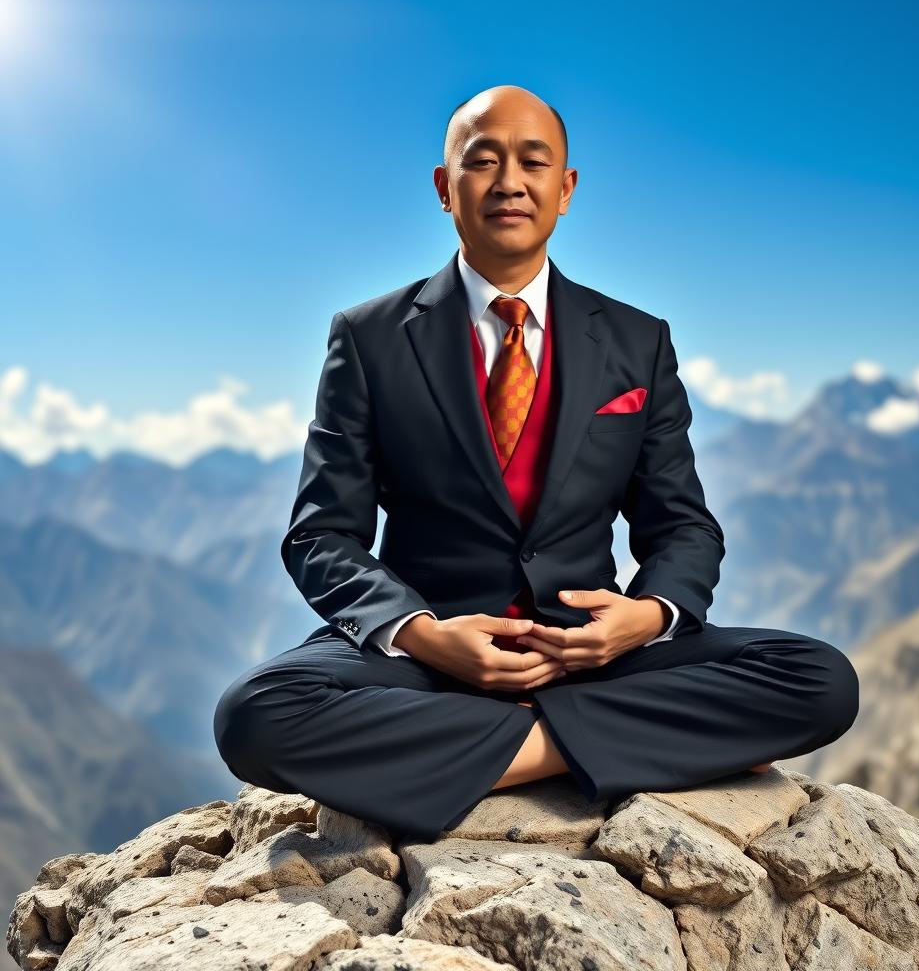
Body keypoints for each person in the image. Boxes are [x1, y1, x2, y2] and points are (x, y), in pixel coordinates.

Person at [213, 85, 859, 840]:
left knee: (819, 681)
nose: (509, 181)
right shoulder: (371, 337)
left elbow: (682, 527)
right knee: (254, 716)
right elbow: (321, 535)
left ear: (566, 189)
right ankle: (608, 744)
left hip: (592, 650)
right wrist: (423, 633)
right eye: (482, 161)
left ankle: (517, 749)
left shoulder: (635, 340)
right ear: (444, 189)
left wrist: (642, 619)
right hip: (430, 658)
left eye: (533, 161)